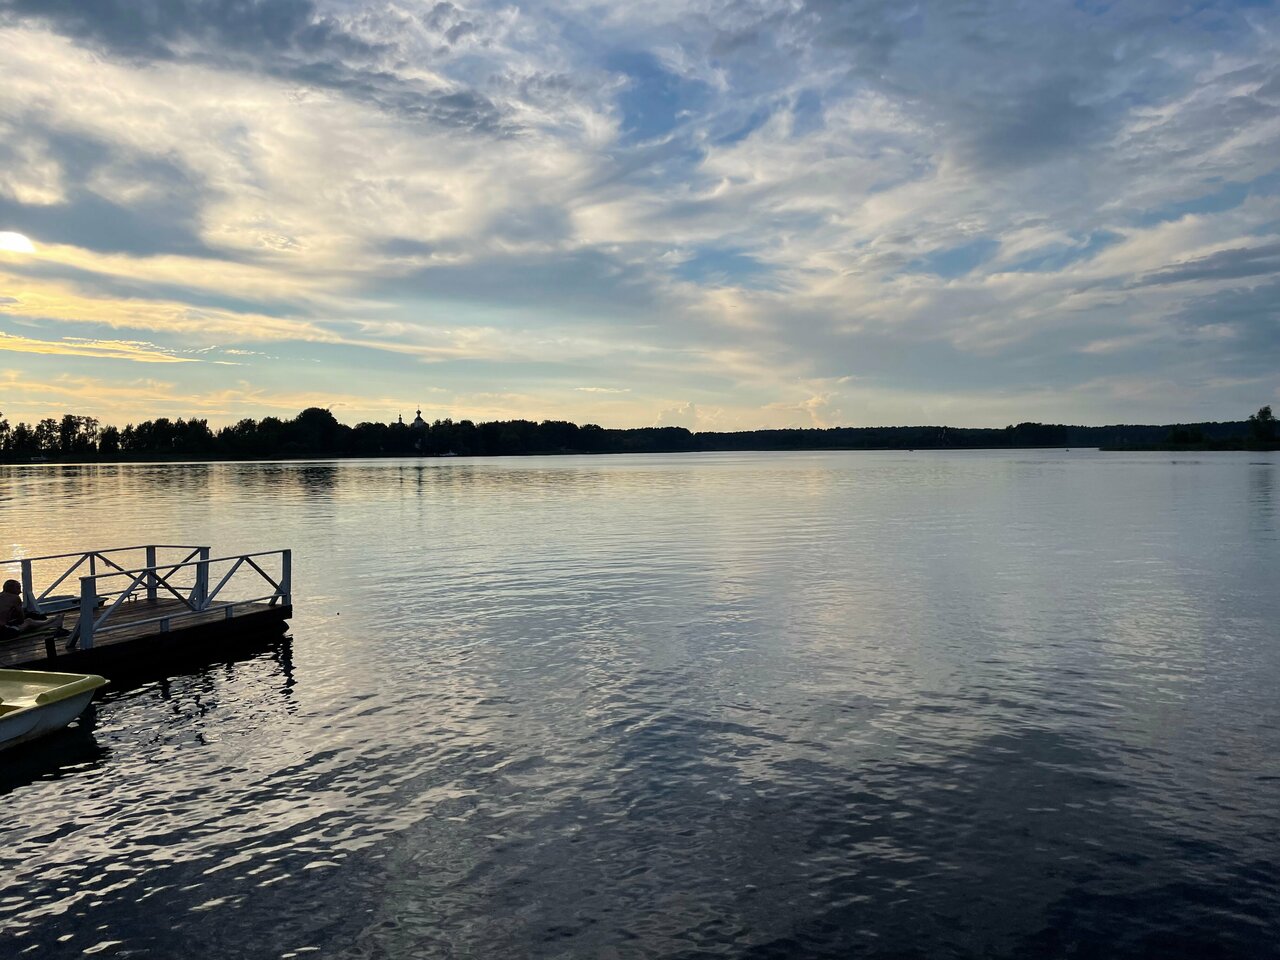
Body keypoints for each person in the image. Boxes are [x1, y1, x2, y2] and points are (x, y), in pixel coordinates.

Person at [1, 579, 65, 640]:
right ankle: (49, 622)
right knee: (28, 621)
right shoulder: (15, 598)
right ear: (12, 589)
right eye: (18, 588)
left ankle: (50, 621)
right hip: (4, 631)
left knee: (24, 621)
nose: (20, 592)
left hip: (4, 626)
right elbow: (21, 619)